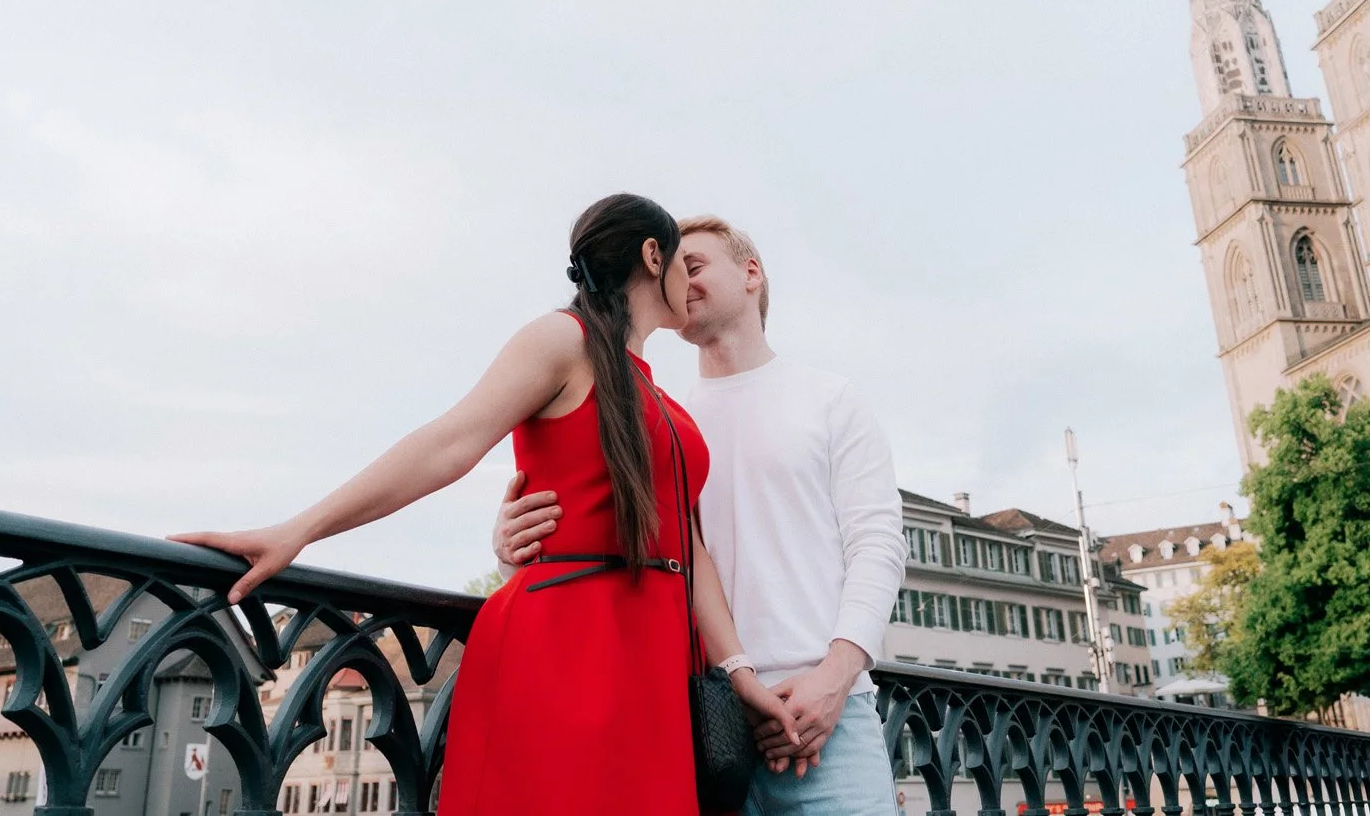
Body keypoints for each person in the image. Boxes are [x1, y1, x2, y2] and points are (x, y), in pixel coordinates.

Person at [174, 194, 799, 816]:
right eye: (682, 267)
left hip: (652, 660)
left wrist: (739, 673)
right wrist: (298, 530)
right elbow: (448, 443)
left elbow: (687, 549)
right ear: (650, 254)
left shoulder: (656, 391)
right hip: (568, 643)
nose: (690, 286)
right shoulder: (564, 339)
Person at [496, 215, 906, 814]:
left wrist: (836, 676)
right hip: (696, 716)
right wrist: (511, 545)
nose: (678, 281)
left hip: (827, 720)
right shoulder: (667, 420)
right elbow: (606, 532)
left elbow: (878, 544)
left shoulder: (829, 399)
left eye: (694, 265)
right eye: (667, 270)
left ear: (751, 273)